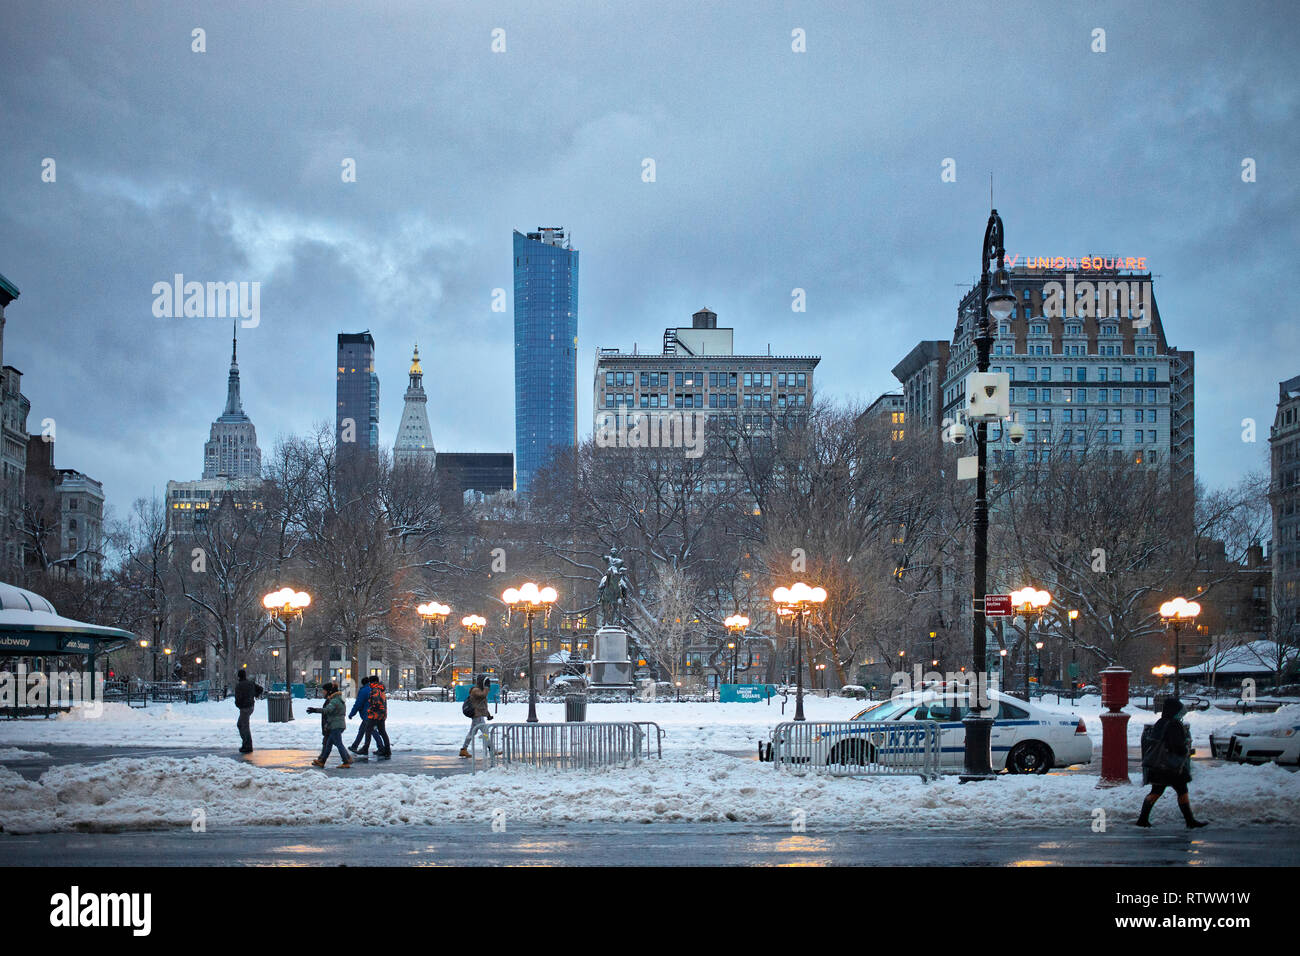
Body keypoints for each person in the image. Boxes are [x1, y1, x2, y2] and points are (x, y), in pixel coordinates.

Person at [1137, 697, 1207, 829]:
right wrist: (1184, 750)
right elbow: (1177, 745)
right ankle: (1190, 821)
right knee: (1181, 790)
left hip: (1158, 765)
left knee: (1157, 791)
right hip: (1170, 766)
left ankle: (1143, 819)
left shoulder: (1160, 722)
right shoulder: (1174, 724)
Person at [307, 683, 352, 768]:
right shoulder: (338, 699)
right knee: (328, 744)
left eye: (323, 690)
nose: (322, 692)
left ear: (329, 691)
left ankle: (346, 761)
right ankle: (322, 761)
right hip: (336, 725)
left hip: (335, 725)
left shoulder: (334, 700)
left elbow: (328, 710)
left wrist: (315, 710)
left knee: (339, 744)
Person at [459, 674, 495, 758]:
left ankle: (463, 749)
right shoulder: (475, 690)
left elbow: (482, 706)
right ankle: (492, 750)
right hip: (477, 715)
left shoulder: (479, 690)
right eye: (485, 682)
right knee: (484, 733)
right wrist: (486, 687)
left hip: (479, 715)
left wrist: (488, 715)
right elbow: (483, 695)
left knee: (473, 733)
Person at [233, 669, 263, 754]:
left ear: (239, 676)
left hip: (244, 708)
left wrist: (239, 704)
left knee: (244, 726)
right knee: (240, 724)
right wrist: (254, 695)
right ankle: (245, 744)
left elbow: (238, 698)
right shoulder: (250, 683)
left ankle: (248, 746)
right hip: (250, 706)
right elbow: (260, 689)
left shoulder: (239, 685)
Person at [348, 676, 375, 759]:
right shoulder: (372, 689)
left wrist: (352, 714)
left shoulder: (363, 691)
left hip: (367, 715)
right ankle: (354, 746)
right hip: (372, 714)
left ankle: (381, 747)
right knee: (363, 730)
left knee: (373, 732)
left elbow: (358, 704)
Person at [367, 676, 391, 760]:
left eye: (370, 682)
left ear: (372, 682)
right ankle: (387, 750)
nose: (369, 684)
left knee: (368, 730)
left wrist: (370, 709)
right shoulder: (381, 690)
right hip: (382, 714)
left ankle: (365, 748)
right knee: (382, 732)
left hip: (375, 714)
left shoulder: (375, 690)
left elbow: (375, 703)